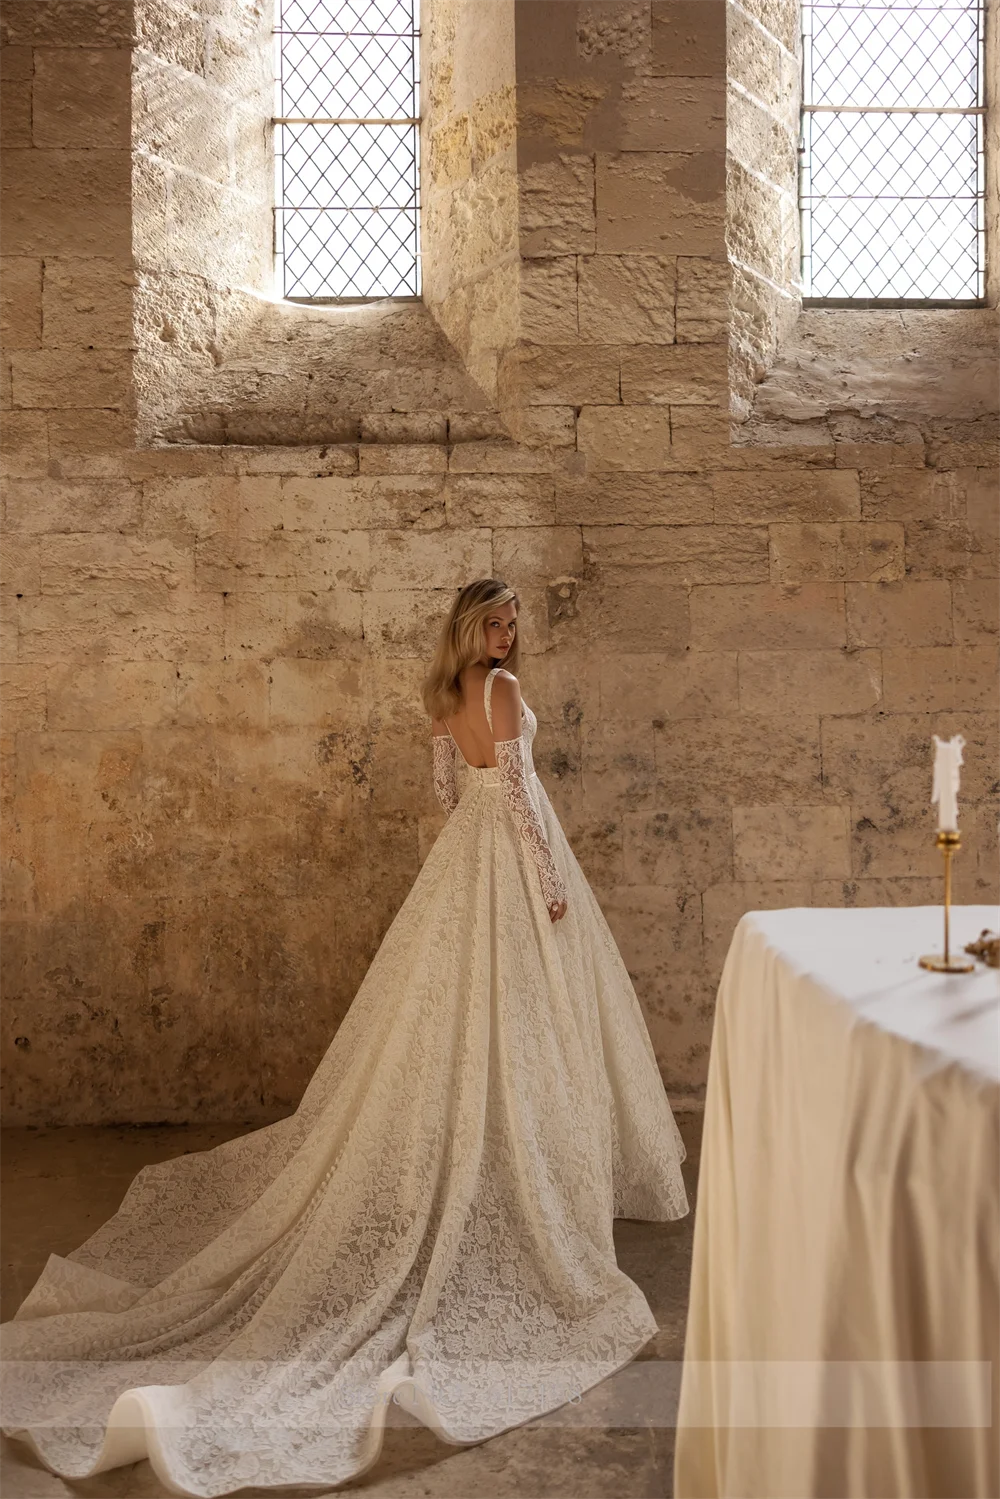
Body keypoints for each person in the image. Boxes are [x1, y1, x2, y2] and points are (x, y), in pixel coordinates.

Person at [0, 577, 689, 1497]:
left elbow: (448, 795)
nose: (509, 631)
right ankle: (517, 1170)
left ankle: (485, 1154)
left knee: (463, 1030)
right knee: (532, 1025)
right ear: (471, 627)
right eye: (497, 618)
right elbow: (519, 797)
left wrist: (461, 875)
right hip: (517, 862)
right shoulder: (504, 692)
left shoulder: (444, 698)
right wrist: (550, 885)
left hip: (461, 865)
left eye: (514, 618)